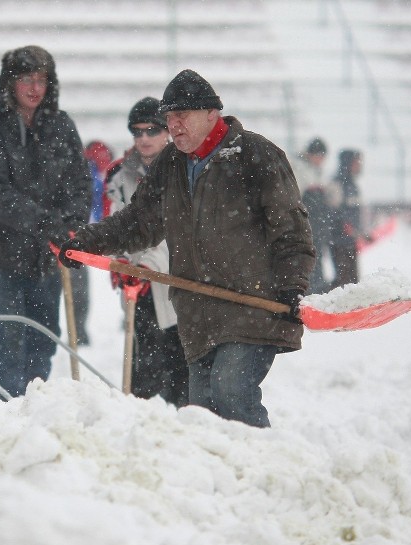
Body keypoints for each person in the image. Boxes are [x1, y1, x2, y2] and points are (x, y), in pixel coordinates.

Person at [59, 70, 315, 428]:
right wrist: (88, 241)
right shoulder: (172, 164)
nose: (174, 126)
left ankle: (262, 466)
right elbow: (139, 222)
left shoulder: (255, 155)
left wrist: (292, 287)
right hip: (196, 313)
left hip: (251, 305)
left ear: (212, 114)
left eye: (183, 116)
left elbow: (291, 230)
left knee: (232, 392)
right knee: (203, 412)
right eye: (170, 118)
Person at [0, 45, 91, 399]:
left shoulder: (61, 125)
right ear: (10, 82)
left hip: (44, 255)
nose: (35, 88)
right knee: (8, 343)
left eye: (42, 80)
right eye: (26, 80)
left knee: (43, 340)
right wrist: (46, 221)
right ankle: (6, 416)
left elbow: (79, 181)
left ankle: (35, 411)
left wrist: (71, 222)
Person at [105, 96, 188, 407]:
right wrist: (121, 262)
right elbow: (114, 224)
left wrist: (150, 264)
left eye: (151, 130)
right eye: (137, 132)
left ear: (166, 131)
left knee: (182, 363)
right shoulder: (120, 175)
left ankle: (186, 421)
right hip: (137, 284)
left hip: (179, 281)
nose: (143, 138)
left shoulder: (185, 169)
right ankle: (140, 423)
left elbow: (177, 229)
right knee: (144, 363)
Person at [68, 140, 114, 346]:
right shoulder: (90, 177)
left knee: (77, 290)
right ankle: (77, 332)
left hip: (76, 239)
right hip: (73, 240)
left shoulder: (87, 175)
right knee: (77, 290)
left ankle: (77, 331)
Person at [291, 137, 339, 294]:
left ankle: (317, 289)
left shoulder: (316, 171)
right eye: (319, 156)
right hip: (307, 224)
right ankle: (311, 291)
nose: (321, 161)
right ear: (311, 154)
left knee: (316, 259)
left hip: (317, 225)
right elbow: (295, 197)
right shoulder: (299, 169)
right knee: (309, 260)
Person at [329, 149, 364, 288]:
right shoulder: (337, 183)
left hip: (349, 240)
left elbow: (354, 212)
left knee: (352, 280)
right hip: (339, 240)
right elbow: (332, 211)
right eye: (357, 162)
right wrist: (344, 225)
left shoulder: (352, 185)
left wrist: (358, 231)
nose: (360, 165)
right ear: (348, 163)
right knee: (343, 280)